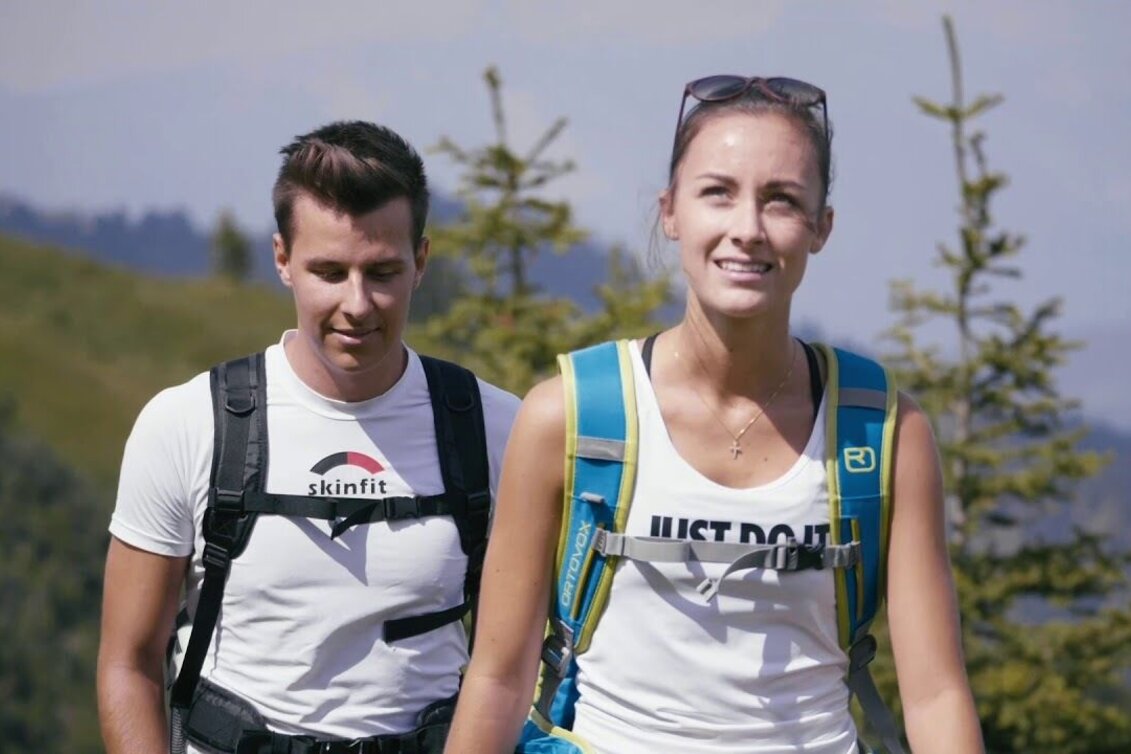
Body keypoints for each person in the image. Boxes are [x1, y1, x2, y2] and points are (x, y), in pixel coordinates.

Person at [443, 76, 984, 753]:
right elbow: (497, 679)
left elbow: (935, 695)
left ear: (821, 227)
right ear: (670, 212)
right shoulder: (571, 417)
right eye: (717, 192)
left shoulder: (883, 434)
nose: (747, 229)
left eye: (781, 199)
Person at [96, 120, 520, 754]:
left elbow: (518, 665)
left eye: (382, 272)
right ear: (282, 260)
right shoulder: (186, 424)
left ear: (421, 263)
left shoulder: (495, 428)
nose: (358, 304)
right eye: (329, 271)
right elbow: (127, 663)